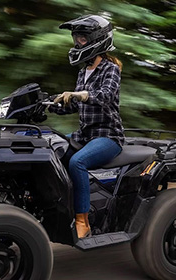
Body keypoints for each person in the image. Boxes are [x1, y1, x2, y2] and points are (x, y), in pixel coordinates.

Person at [50, 14, 125, 239]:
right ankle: (60, 209)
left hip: (108, 136)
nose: (76, 44)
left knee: (77, 162)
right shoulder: (83, 71)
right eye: (75, 39)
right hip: (84, 134)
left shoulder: (111, 69)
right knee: (52, 154)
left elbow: (103, 96)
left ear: (97, 39)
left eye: (81, 39)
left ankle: (83, 220)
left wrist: (78, 95)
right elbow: (75, 106)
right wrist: (51, 106)